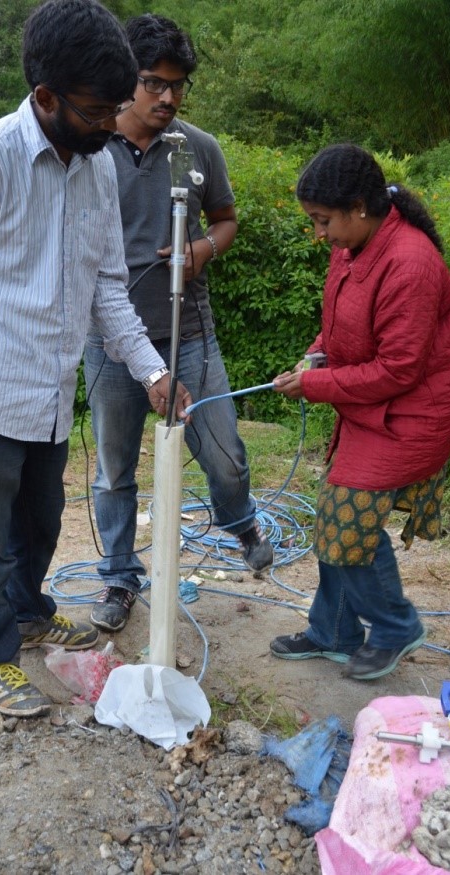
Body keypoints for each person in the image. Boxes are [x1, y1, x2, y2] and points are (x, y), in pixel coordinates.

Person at [0, 0, 191, 718]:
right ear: (46, 98)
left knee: (41, 519)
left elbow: (106, 290)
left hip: (50, 390)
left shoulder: (94, 169)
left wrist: (151, 369)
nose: (110, 124)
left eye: (117, 106)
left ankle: (27, 610)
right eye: (97, 110)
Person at [85, 13, 273, 634]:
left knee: (223, 452)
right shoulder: (89, 152)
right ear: (125, 81)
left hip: (189, 332)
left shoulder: (197, 149)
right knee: (115, 468)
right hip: (113, 345)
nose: (168, 97)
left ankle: (239, 520)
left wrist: (202, 251)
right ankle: (117, 575)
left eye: (178, 85)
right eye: (154, 83)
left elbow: (224, 219)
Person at [270, 143, 450, 680]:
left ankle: (397, 625)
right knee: (337, 516)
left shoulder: (411, 261)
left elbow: (400, 369)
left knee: (346, 519)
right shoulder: (353, 245)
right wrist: (317, 354)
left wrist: (316, 384)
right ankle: (334, 632)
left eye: (323, 221)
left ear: (358, 207)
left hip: (414, 414)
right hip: (372, 407)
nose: (319, 234)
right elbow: (340, 322)